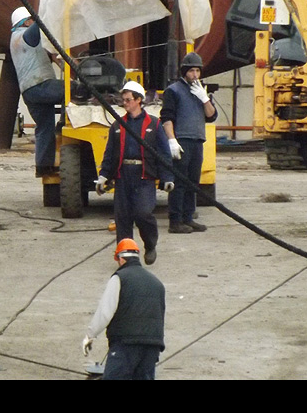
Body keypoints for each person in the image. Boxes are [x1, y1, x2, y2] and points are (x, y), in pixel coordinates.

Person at [95, 81, 174, 266]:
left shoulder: (154, 125)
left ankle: (150, 244)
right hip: (123, 176)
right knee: (122, 219)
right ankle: (126, 257)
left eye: (129, 100)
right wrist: (103, 175)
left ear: (139, 100)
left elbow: (163, 153)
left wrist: (168, 177)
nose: (125, 103)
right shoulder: (117, 125)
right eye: (123, 100)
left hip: (144, 177)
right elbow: (110, 153)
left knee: (143, 213)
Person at [82, 239, 166, 380]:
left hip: (126, 344)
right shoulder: (157, 283)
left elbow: (105, 311)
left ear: (120, 259)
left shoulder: (120, 278)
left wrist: (90, 335)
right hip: (152, 345)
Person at [160, 52, 218, 234]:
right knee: (179, 181)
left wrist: (205, 98)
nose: (195, 75)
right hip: (182, 140)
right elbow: (167, 118)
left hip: (197, 141)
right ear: (185, 72)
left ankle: (188, 217)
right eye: (191, 71)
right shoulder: (174, 91)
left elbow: (211, 115)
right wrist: (171, 140)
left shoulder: (200, 91)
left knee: (193, 181)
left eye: (197, 71)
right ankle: (175, 221)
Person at [9, 6, 64, 177]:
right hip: (41, 85)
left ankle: (43, 167)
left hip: (28, 92)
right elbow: (41, 23)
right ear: (26, 22)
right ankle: (64, 126)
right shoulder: (26, 36)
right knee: (75, 90)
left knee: (44, 128)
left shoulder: (15, 39)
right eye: (30, 19)